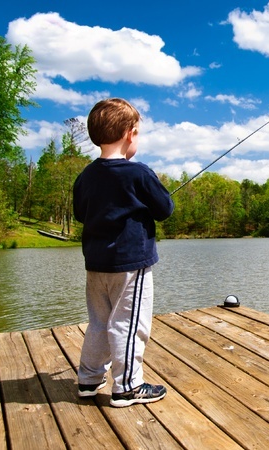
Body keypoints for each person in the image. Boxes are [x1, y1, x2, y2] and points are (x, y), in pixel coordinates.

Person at [73, 98, 174, 407]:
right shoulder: (139, 173)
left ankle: (89, 380)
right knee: (130, 325)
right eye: (138, 133)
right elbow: (165, 209)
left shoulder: (85, 177)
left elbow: (81, 214)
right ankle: (127, 386)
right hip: (131, 266)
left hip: (96, 265)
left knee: (100, 323)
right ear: (130, 134)